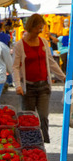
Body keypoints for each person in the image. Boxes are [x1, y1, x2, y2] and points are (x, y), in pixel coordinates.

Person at [12, 13, 66, 143]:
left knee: (43, 116)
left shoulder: (43, 42)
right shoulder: (20, 45)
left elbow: (51, 61)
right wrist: (18, 85)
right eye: (38, 28)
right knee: (28, 118)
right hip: (28, 87)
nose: (40, 31)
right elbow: (15, 67)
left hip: (43, 86)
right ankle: (28, 143)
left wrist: (63, 77)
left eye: (41, 28)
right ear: (31, 27)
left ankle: (41, 143)